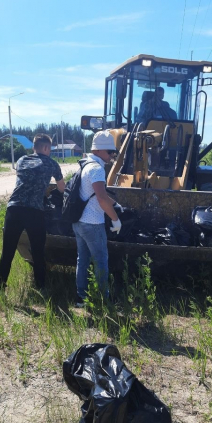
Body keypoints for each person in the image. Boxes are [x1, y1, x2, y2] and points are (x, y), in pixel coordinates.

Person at [0, 133, 65, 291]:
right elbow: (61, 188)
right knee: (38, 252)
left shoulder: (21, 160)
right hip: (34, 211)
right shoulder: (52, 164)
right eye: (50, 148)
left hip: (14, 208)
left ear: (34, 147)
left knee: (7, 252)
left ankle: (0, 287)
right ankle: (40, 288)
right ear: (46, 148)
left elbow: (27, 179)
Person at [73, 130, 121, 306]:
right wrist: (115, 219)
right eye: (110, 152)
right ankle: (103, 299)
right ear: (99, 151)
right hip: (93, 223)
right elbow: (101, 198)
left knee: (83, 259)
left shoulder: (85, 165)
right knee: (100, 260)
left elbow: (95, 194)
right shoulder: (97, 168)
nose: (111, 156)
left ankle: (81, 298)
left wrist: (114, 203)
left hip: (79, 222)